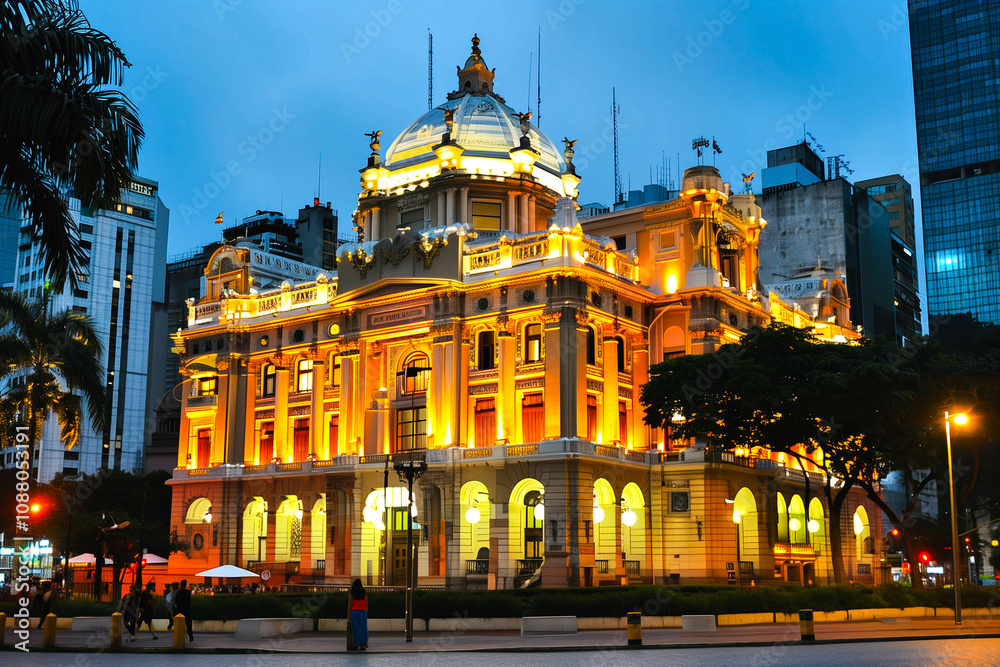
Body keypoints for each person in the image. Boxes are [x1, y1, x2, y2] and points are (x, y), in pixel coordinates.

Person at [348, 578, 368, 651]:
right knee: (363, 628)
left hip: (354, 612)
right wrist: (366, 611)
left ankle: (358, 644)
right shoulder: (364, 592)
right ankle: (364, 642)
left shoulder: (352, 592)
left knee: (356, 629)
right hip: (363, 612)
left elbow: (350, 605)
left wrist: (348, 617)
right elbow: (366, 604)